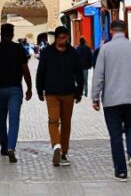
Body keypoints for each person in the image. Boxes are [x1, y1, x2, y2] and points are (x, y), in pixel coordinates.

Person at [91, 20, 131, 181]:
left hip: (111, 100)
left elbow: (99, 75)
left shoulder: (105, 49)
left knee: (115, 135)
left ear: (111, 31)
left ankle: (121, 171)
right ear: (125, 30)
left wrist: (95, 97)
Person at [36, 26, 84, 167]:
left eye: (65, 38)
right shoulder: (46, 53)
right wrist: (40, 90)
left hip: (69, 93)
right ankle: (56, 145)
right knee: (53, 120)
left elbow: (79, 73)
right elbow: (41, 73)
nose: (63, 41)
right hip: (51, 93)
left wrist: (79, 91)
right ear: (56, 38)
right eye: (61, 38)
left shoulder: (73, 53)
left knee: (66, 123)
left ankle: (64, 152)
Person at [0, 23, 33, 163]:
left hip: (0, 88)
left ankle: (4, 146)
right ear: (12, 34)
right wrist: (29, 87)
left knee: (1, 118)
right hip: (15, 89)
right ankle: (11, 147)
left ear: (1, 33)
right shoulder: (19, 49)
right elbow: (25, 70)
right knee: (14, 118)